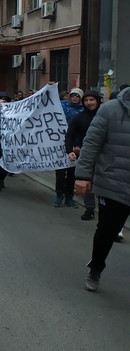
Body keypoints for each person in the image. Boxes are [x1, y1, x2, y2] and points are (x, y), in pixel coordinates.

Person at [74, 86, 130, 292]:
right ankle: (96, 267)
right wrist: (82, 176)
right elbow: (91, 144)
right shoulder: (110, 110)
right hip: (113, 183)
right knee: (107, 231)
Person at [66, 90, 102, 221]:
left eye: (92, 100)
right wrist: (69, 150)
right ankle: (89, 209)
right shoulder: (79, 118)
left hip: (104, 156)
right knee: (86, 182)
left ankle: (106, 210)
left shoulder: (106, 116)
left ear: (98, 101)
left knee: (103, 184)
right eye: (86, 100)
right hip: (86, 155)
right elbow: (69, 135)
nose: (89, 103)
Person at [55, 88, 86, 208]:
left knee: (72, 174)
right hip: (60, 144)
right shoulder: (61, 106)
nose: (74, 98)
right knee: (60, 173)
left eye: (77, 96)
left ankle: (69, 197)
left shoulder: (83, 110)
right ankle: (59, 196)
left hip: (77, 146)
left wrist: (78, 145)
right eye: (72, 95)